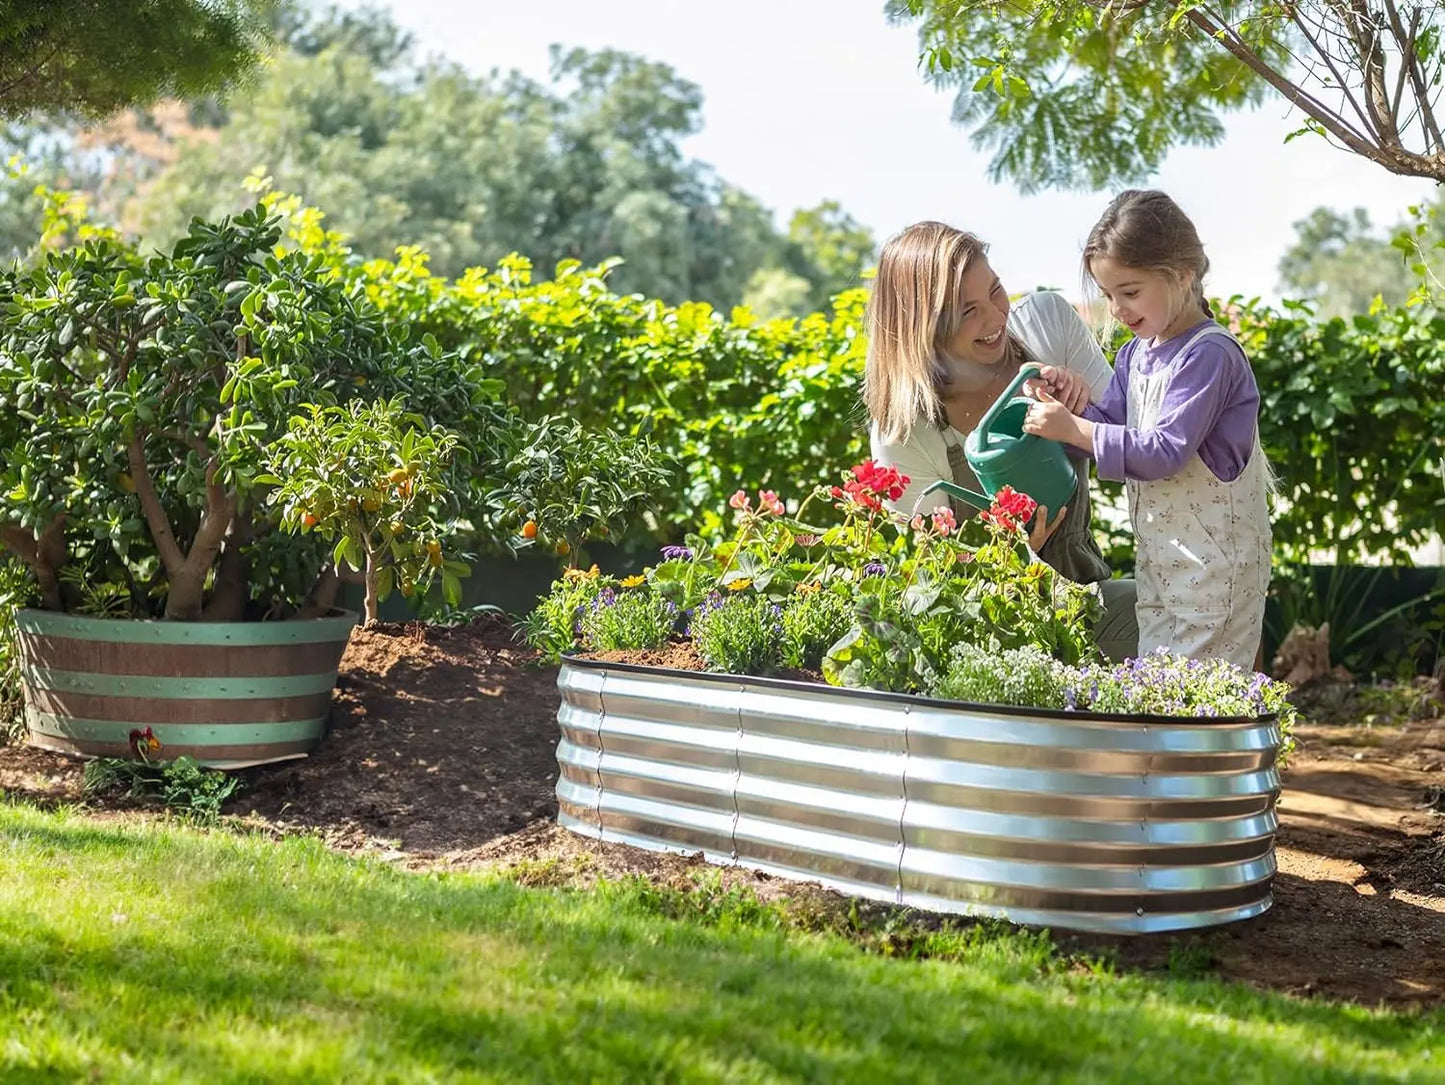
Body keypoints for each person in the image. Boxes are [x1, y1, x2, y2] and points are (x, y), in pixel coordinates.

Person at [863, 220, 1138, 662]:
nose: (994, 318)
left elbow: (1139, 450)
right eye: (967, 311)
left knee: (1199, 607)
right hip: (984, 642)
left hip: (1083, 598)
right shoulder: (904, 430)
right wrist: (1011, 555)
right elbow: (931, 584)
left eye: (994, 290)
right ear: (923, 328)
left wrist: (1083, 417)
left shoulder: (1048, 330)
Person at [1022, 190, 1271, 668]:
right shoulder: (1134, 356)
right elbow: (1112, 427)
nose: (1116, 309)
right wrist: (1066, 407)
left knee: (1203, 694)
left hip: (1214, 568)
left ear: (1182, 274)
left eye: (1130, 292)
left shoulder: (1209, 355)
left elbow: (1163, 450)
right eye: (1108, 295)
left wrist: (1073, 428)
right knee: (1159, 684)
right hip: (1162, 563)